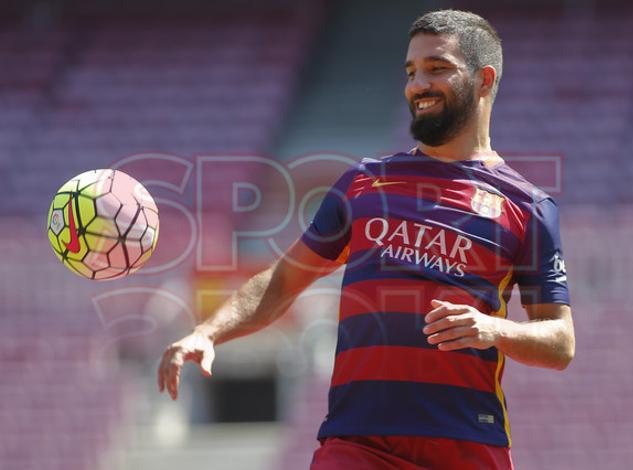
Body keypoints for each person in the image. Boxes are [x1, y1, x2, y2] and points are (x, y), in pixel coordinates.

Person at [158, 9, 575, 469]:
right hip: (357, 445)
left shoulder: (527, 207)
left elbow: (560, 341)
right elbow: (282, 282)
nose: (418, 85)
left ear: (483, 79)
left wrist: (494, 329)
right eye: (411, 72)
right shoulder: (362, 184)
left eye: (437, 68)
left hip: (467, 446)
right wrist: (208, 331)